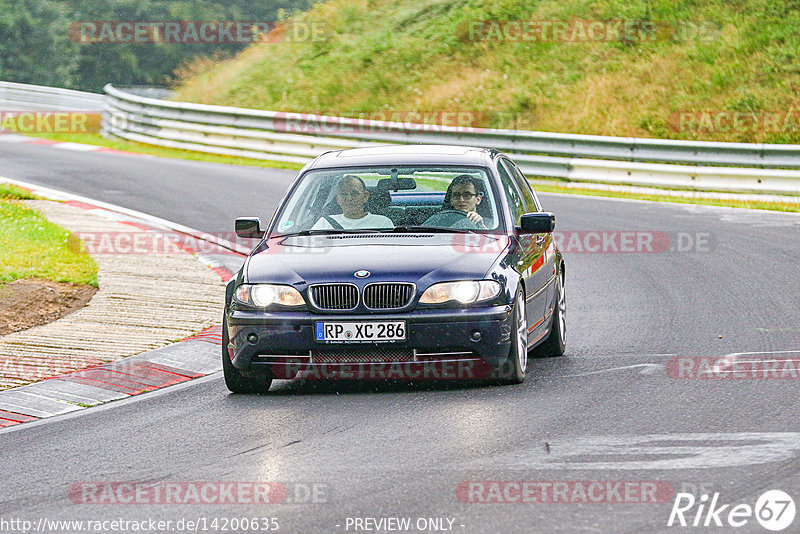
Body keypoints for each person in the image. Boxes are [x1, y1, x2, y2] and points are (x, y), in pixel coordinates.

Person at [312, 175, 393, 230]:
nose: (349, 198)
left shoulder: (382, 223)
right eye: (343, 194)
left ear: (365, 196)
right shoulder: (324, 223)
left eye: (355, 193)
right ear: (337, 199)